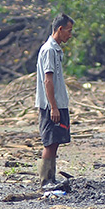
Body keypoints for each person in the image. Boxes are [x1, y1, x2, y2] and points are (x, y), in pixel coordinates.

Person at [35, 13, 74, 190]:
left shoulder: (56, 49)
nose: (70, 35)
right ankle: (45, 181)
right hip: (51, 105)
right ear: (60, 29)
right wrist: (53, 107)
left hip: (58, 103)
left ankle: (51, 179)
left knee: (55, 141)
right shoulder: (49, 50)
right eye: (69, 31)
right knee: (49, 142)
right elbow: (48, 80)